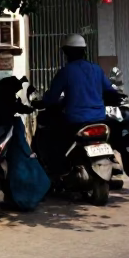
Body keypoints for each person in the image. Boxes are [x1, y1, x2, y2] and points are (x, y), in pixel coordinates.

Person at [35, 34, 115, 167]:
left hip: (75, 120)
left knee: (55, 140)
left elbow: (52, 97)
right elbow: (109, 91)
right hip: (100, 118)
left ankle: (59, 167)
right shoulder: (97, 69)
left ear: (66, 52)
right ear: (84, 51)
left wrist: (42, 103)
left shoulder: (66, 72)